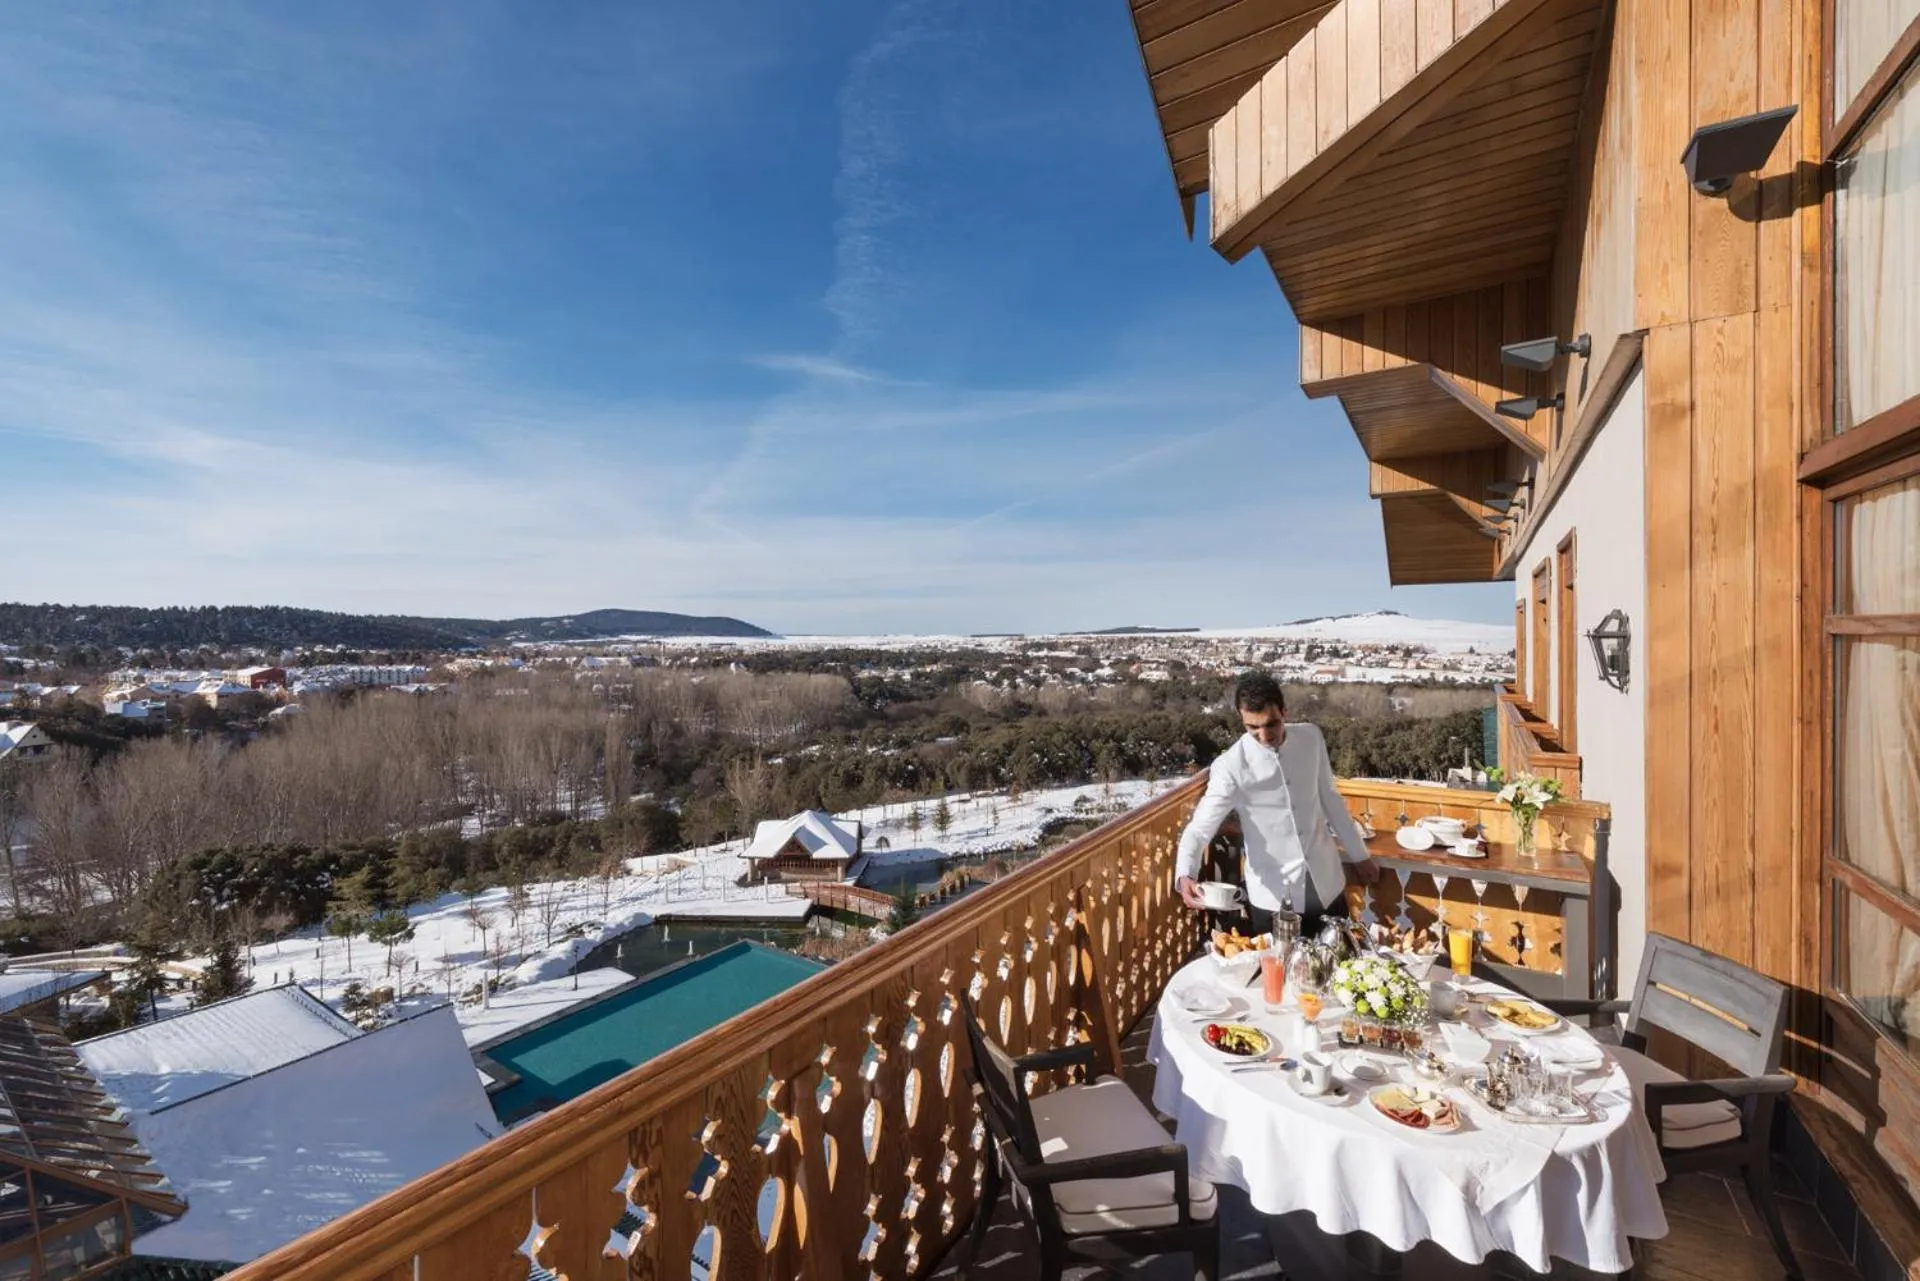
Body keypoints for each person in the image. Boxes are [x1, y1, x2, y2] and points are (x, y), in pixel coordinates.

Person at [1175, 671, 1380, 937]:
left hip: (1327, 884)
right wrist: (1185, 875)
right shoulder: (1230, 766)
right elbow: (1199, 829)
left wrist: (1359, 855)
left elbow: (1331, 800)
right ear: (1241, 719)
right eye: (1252, 727)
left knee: (1341, 960)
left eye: (1271, 724)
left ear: (1284, 711)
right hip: (1272, 898)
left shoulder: (1311, 738)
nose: (1263, 735)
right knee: (1279, 965)